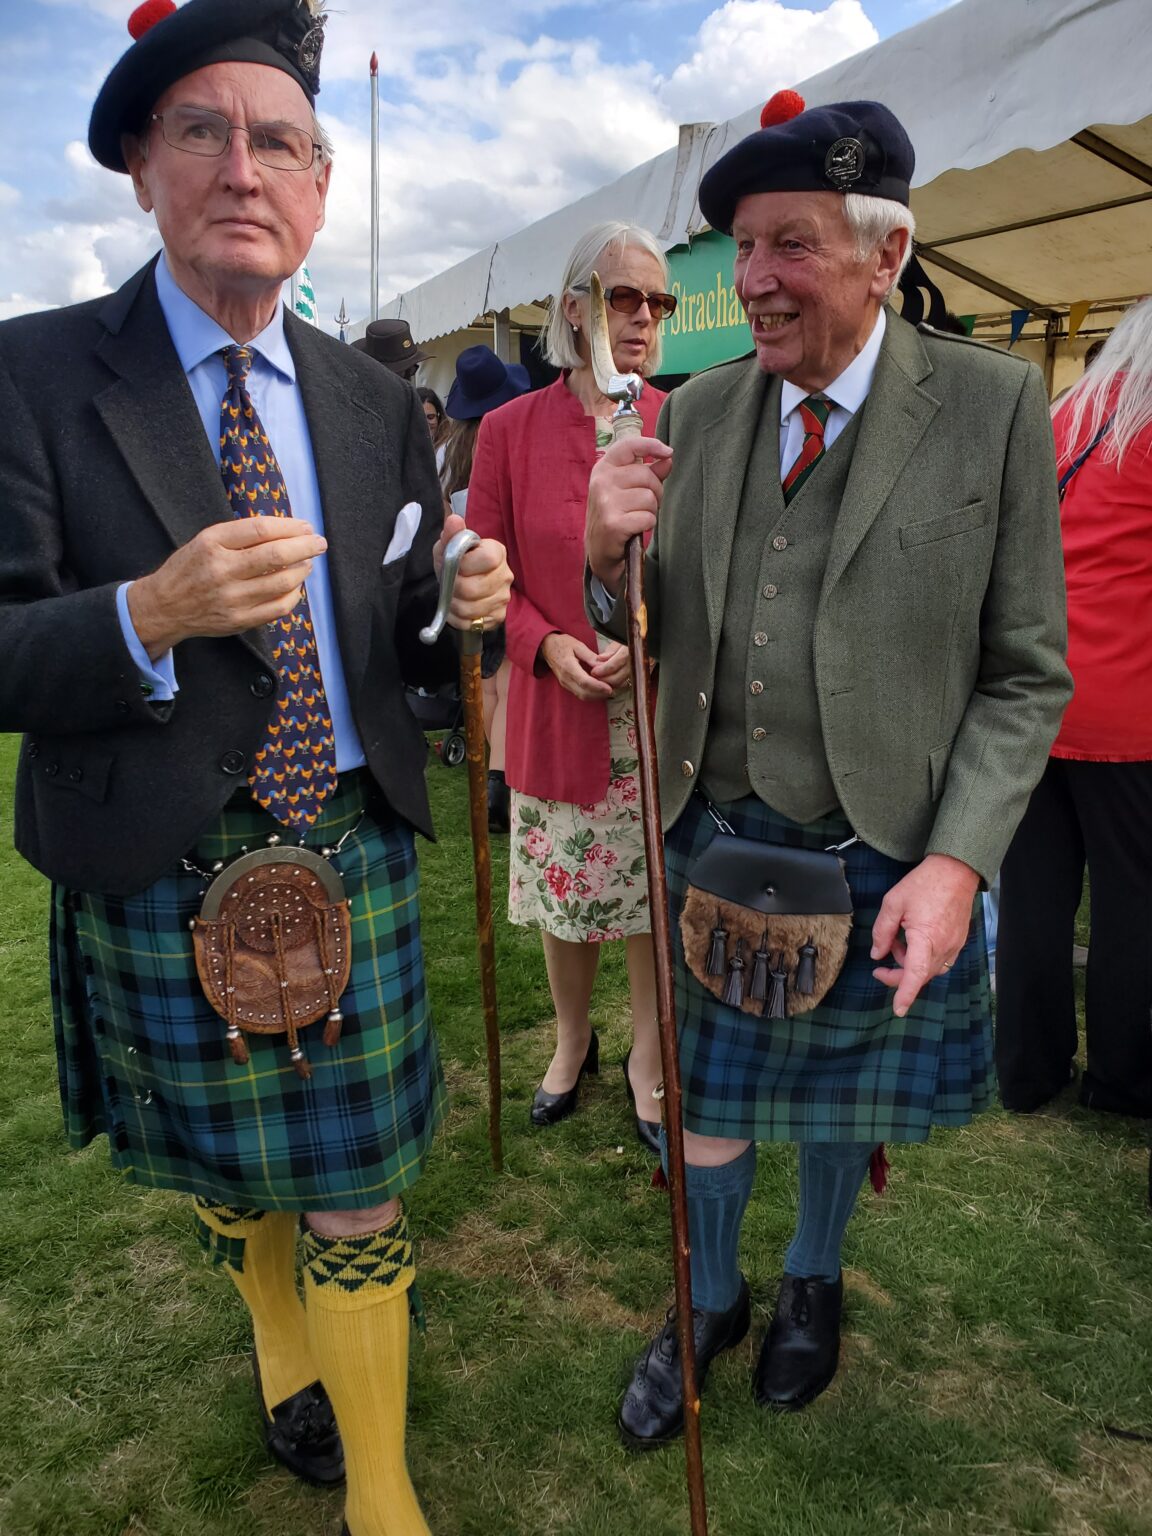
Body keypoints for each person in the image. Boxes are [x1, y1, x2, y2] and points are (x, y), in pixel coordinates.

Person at [0, 3, 511, 1534]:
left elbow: (405, 650)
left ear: (322, 187)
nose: (244, 167)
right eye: (203, 132)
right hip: (162, 847)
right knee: (234, 1169)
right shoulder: (29, 376)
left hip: (344, 836)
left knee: (355, 1181)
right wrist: (145, 614)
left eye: (279, 138)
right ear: (141, 168)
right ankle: (281, 1348)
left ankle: (380, 1493)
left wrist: (457, 610)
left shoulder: (373, 406)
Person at [584, 93, 1071, 1444]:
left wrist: (962, 858)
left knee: (829, 1109)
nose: (750, 281)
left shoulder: (991, 406)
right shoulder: (701, 410)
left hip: (881, 852)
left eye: (787, 244)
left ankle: (811, 1284)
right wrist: (597, 554)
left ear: (887, 250)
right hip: (712, 832)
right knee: (712, 1102)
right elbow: (639, 627)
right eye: (741, 247)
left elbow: (1027, 670)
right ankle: (711, 1296)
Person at [468, 221, 674, 1153]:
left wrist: (656, 644)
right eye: (625, 297)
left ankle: (646, 1057)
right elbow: (483, 577)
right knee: (566, 895)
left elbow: (706, 573)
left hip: (656, 717)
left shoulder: (681, 421)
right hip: (556, 705)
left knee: (646, 896)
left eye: (658, 302)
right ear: (574, 308)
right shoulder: (508, 431)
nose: (644, 317)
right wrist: (545, 644)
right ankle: (571, 1038)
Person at [996, 298, 1152, 1119]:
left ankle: (1027, 1069)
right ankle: (1123, 1079)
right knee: (1133, 905)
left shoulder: (1068, 414)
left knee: (1034, 898)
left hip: (1036, 697)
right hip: (1129, 711)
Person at [438, 346, 531, 832]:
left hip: (464, 574)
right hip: (504, 571)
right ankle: (500, 789)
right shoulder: (511, 438)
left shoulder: (450, 453)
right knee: (509, 680)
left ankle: (494, 783)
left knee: (490, 682)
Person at [416, 385, 447, 451]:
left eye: (430, 417)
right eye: (420, 418)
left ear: (438, 417)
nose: (426, 423)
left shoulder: (446, 449)